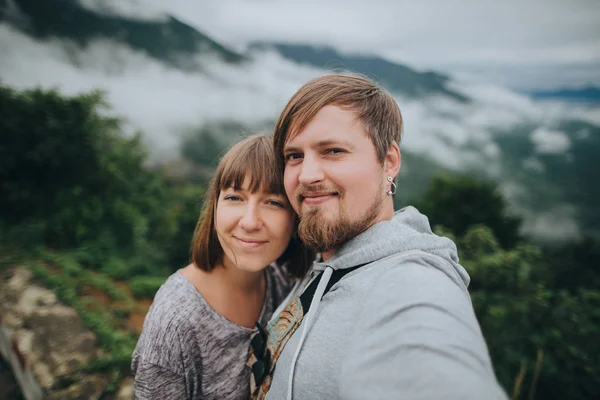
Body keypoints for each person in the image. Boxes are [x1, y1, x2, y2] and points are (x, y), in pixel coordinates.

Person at [247, 74, 509, 400]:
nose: (307, 175)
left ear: (389, 162)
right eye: (294, 156)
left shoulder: (412, 284)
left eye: (333, 151)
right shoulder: (323, 261)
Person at [132, 134, 313, 400]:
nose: (250, 222)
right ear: (215, 205)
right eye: (234, 198)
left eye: (273, 202)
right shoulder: (175, 322)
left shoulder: (284, 283)